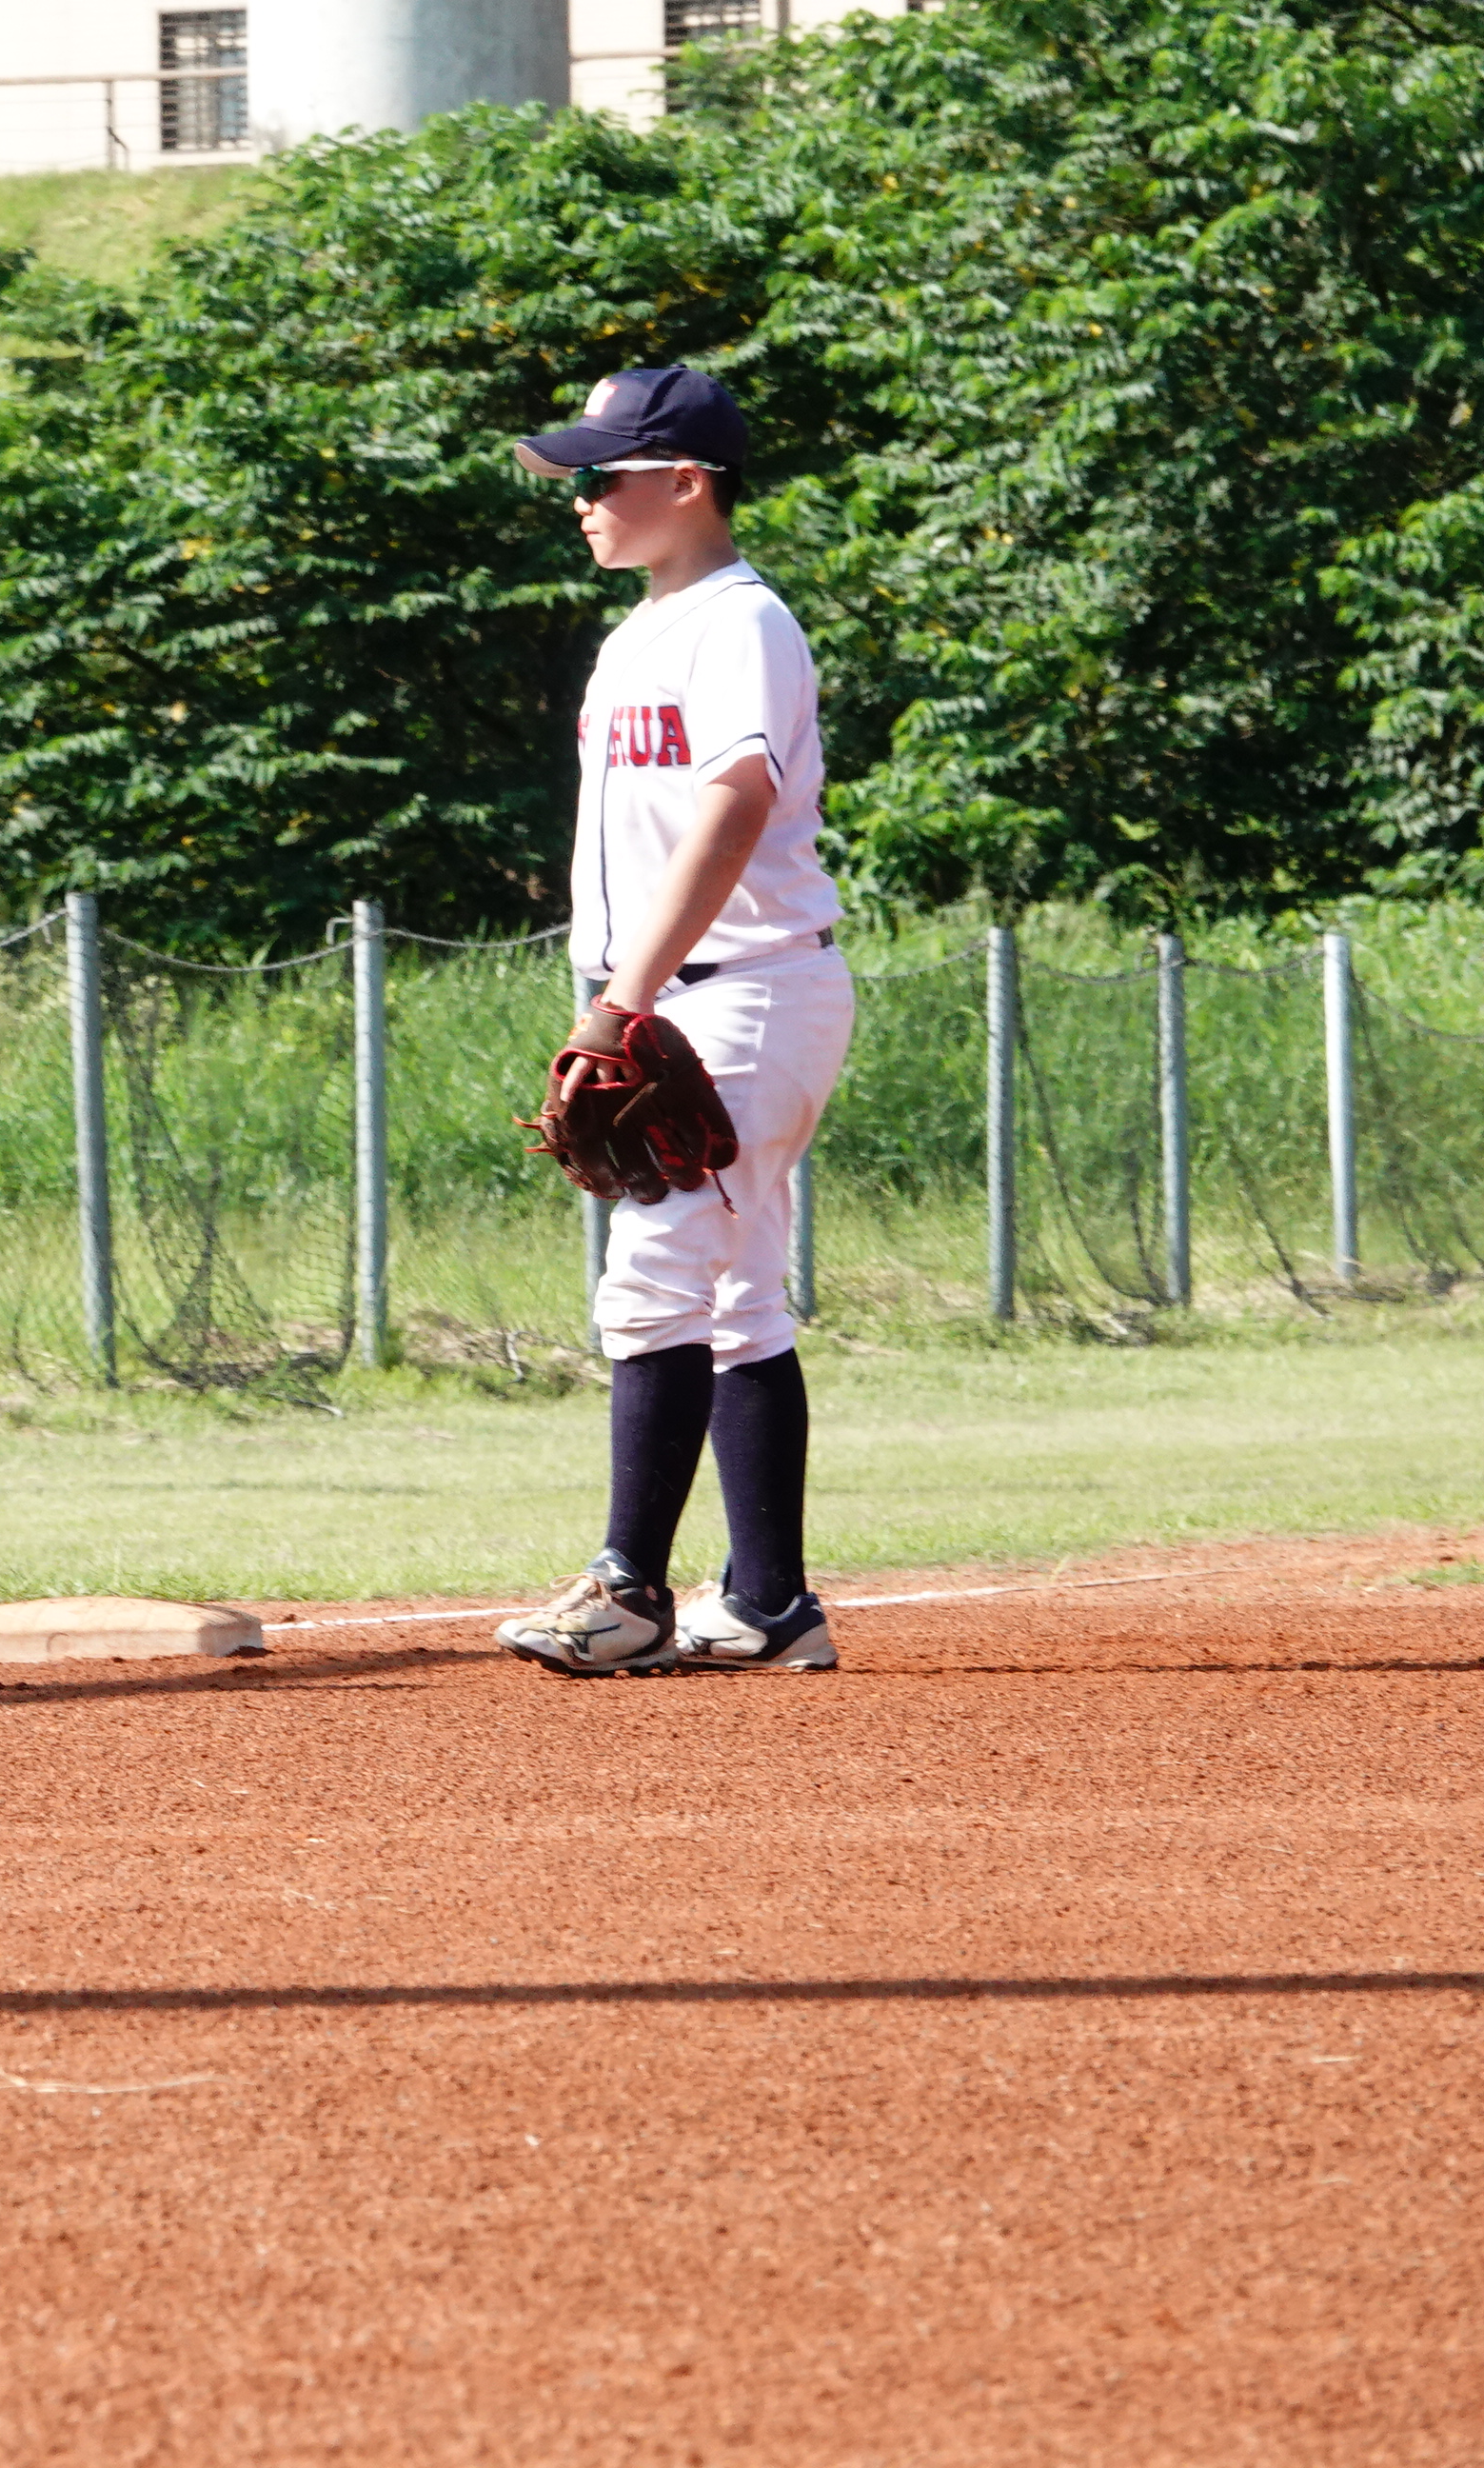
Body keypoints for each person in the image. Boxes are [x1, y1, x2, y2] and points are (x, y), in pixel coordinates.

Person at [491, 369, 853, 1677]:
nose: (580, 499)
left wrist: (622, 999)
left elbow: (737, 803)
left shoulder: (739, 622)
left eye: (604, 475)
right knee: (740, 1296)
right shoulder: (640, 633)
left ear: (688, 482)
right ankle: (768, 1604)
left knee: (652, 1278)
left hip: (736, 987)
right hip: (693, 990)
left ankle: (629, 1592)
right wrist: (624, 989)